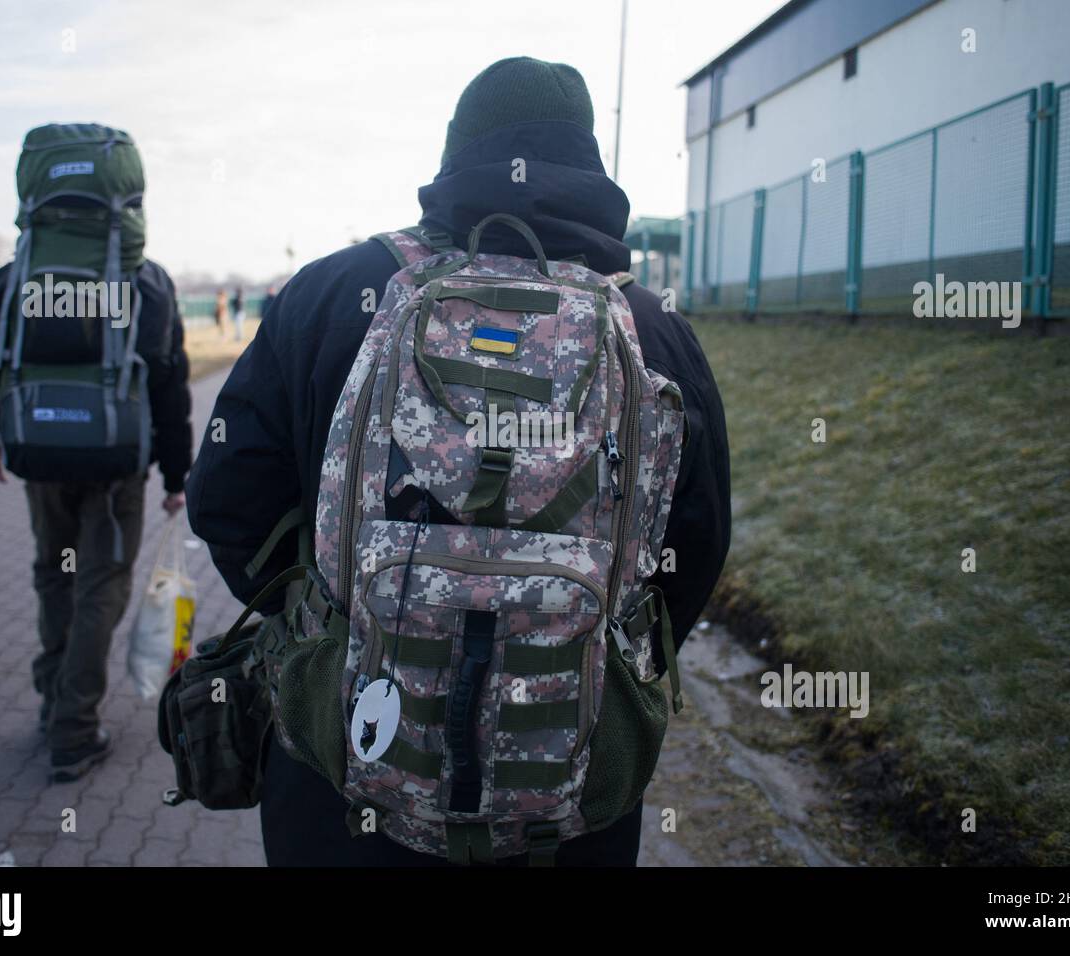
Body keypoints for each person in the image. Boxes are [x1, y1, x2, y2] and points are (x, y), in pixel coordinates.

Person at [186, 57, 731, 865]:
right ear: (591, 166)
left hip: (347, 773)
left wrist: (325, 629)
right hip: (573, 792)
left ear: (452, 157)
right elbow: (697, 543)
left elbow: (228, 501)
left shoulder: (336, 293)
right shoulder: (650, 327)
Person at [0, 126, 193, 783]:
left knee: (53, 573)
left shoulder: (13, 281)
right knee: (101, 583)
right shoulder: (146, 285)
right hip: (116, 464)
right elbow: (171, 385)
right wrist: (178, 475)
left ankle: (52, 698)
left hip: (40, 452)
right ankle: (74, 728)